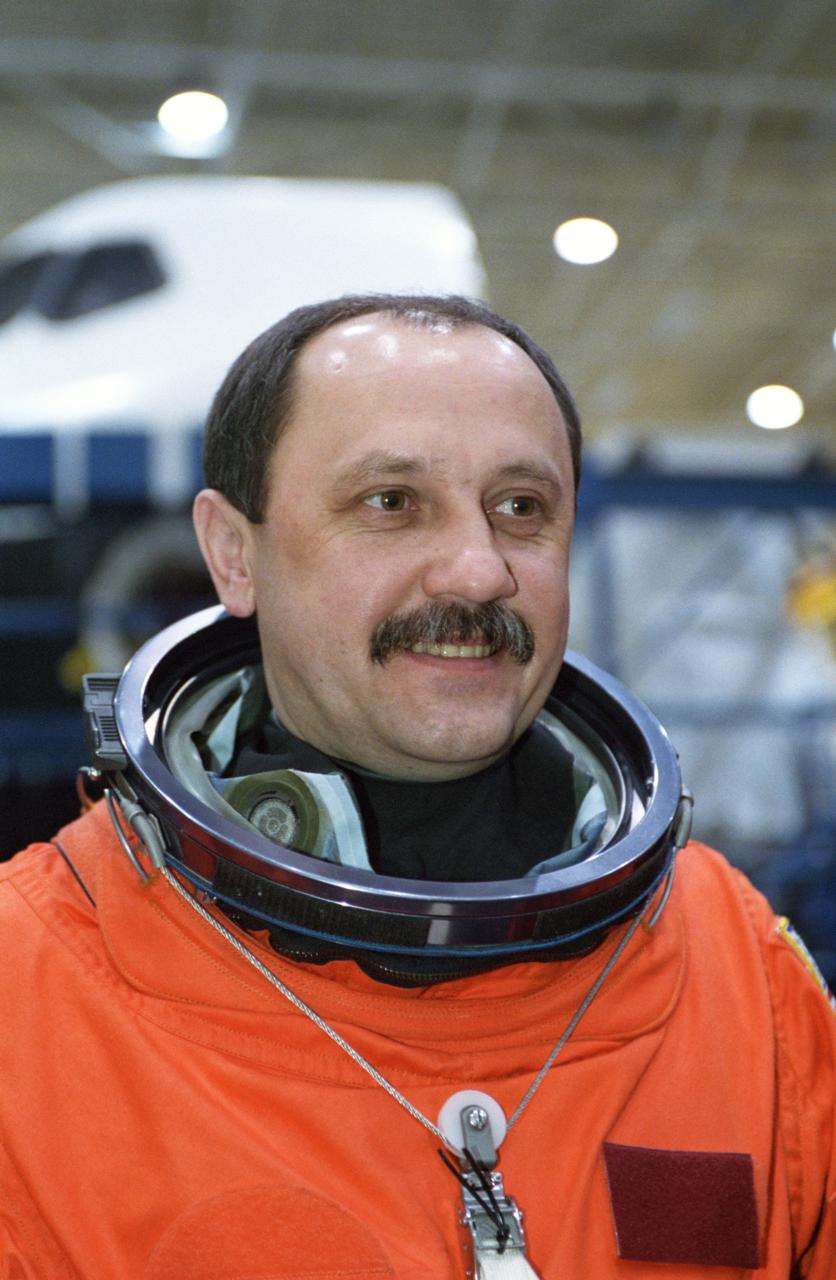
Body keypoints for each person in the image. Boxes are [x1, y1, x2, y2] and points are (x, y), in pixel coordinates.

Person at [1, 293, 833, 1279]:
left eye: (520, 507)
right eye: (390, 502)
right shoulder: (33, 988)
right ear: (233, 552)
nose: (476, 570)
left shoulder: (739, 971)